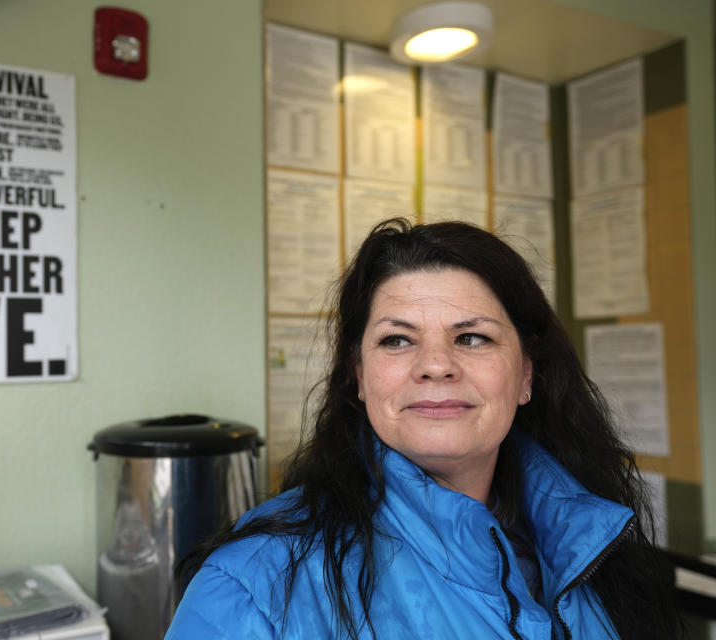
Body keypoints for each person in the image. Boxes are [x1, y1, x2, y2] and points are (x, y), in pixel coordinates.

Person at [166, 218, 680, 639]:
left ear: (525, 376)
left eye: (473, 338)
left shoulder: (592, 538)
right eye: (397, 341)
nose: (436, 365)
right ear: (359, 376)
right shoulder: (250, 585)